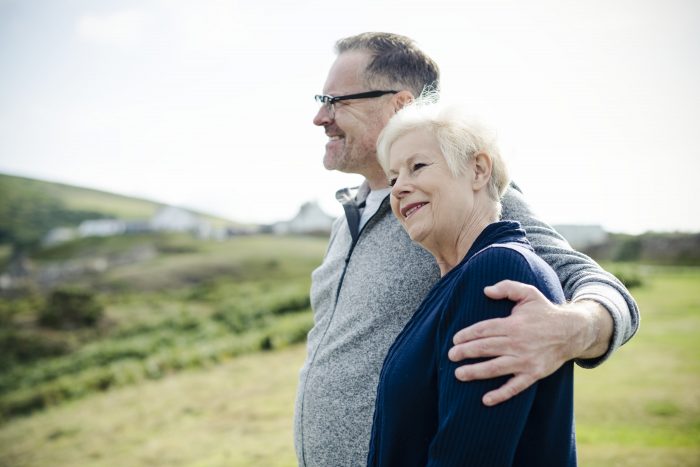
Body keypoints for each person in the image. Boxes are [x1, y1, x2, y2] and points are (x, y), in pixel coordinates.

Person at [294, 32, 638, 467]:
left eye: (335, 100)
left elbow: (591, 282)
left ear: (400, 105)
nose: (320, 117)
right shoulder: (348, 216)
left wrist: (576, 328)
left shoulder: (464, 196)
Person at [368, 98, 575, 466]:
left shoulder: (496, 271)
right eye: (394, 177)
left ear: (478, 170)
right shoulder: (457, 281)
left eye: (417, 167)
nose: (399, 188)